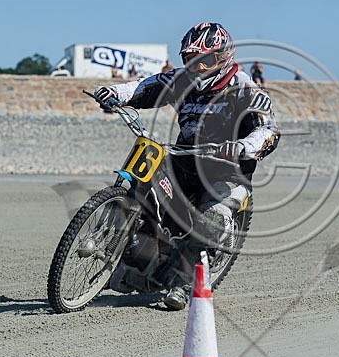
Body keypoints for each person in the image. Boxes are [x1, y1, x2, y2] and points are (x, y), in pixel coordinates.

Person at [94, 21, 280, 310]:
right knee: (148, 182)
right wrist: (115, 93)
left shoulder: (243, 86)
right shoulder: (182, 80)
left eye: (203, 59)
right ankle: (129, 244)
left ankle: (183, 285)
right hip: (185, 159)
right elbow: (146, 86)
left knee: (214, 217)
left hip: (227, 171)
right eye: (190, 59)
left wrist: (245, 146)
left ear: (221, 57)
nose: (196, 65)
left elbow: (268, 129)